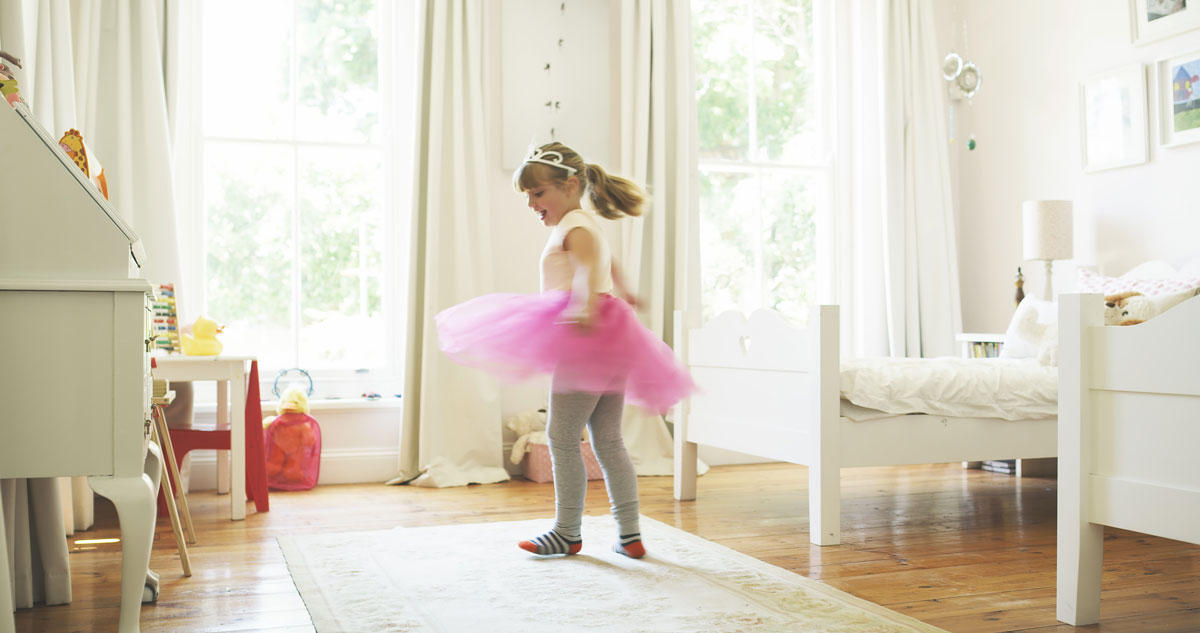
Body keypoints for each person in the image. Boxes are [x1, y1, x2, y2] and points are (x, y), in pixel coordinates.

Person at [435, 142, 693, 559]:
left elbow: (590, 269)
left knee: (561, 436)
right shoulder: (582, 223)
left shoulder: (573, 228)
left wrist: (584, 306)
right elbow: (602, 262)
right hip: (612, 336)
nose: (532, 204)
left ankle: (566, 532)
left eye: (538, 194)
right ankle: (629, 535)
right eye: (527, 197)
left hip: (588, 336)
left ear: (570, 185)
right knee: (608, 440)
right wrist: (622, 291)